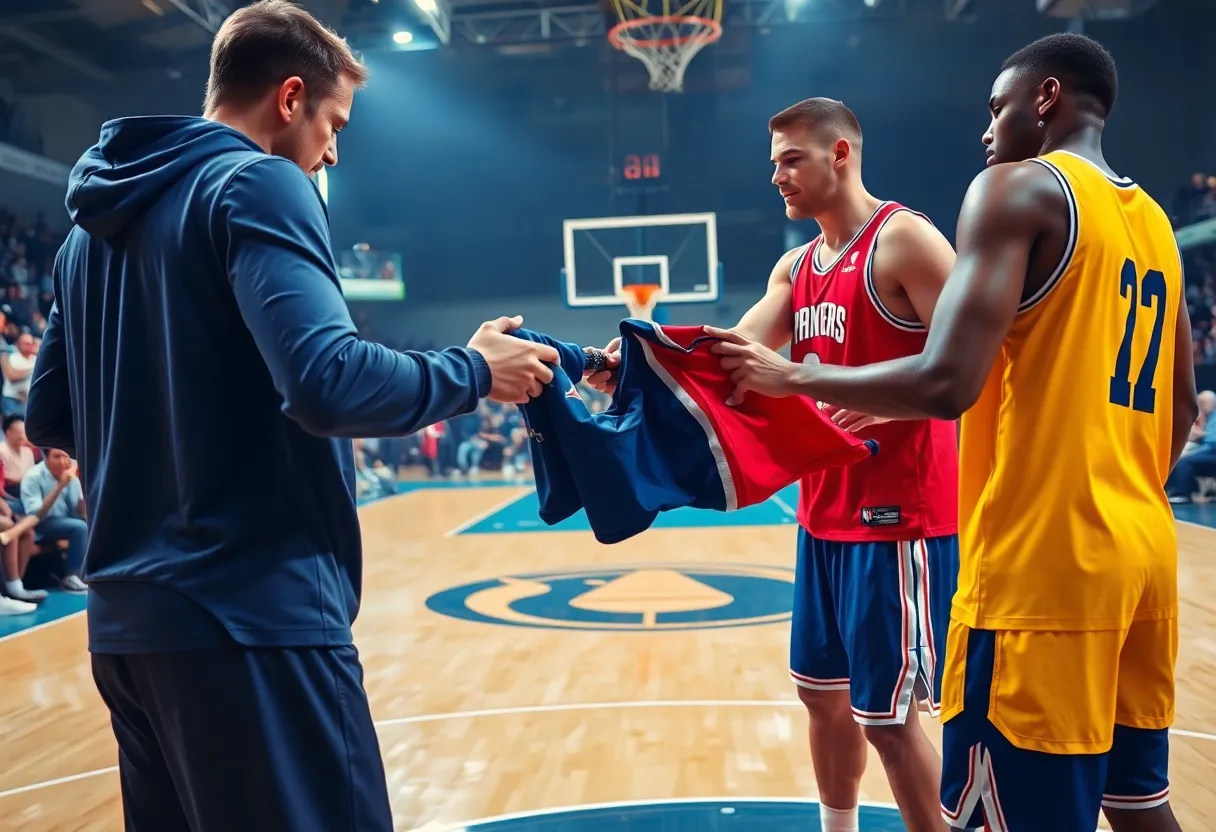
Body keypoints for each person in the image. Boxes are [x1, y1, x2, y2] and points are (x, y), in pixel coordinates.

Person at [24, 2, 557, 830]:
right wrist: (473, 369)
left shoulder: (83, 239)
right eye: (334, 122)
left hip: (129, 633)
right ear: (291, 96)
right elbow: (326, 383)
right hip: (253, 620)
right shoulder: (259, 182)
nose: (334, 148)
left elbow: (49, 412)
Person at [708, 33, 1192, 832]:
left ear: (1047, 99)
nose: (987, 129)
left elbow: (946, 381)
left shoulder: (1014, 190)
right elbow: (1183, 410)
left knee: (999, 812)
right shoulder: (1154, 227)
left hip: (1043, 565)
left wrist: (800, 378)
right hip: (1141, 553)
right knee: (1139, 804)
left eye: (998, 106)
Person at [589, 97, 960, 832]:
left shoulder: (907, 242)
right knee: (822, 697)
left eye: (792, 159)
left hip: (899, 516)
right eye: (774, 163)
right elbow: (728, 358)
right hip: (822, 512)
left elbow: (975, 366)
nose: (778, 177)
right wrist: (631, 367)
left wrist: (888, 403)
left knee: (885, 719)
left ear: (841, 154)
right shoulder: (797, 266)